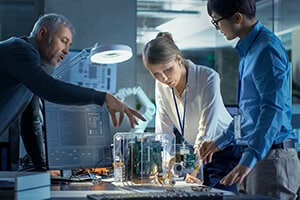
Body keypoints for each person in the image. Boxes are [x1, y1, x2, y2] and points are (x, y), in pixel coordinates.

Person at [0, 13, 145, 171]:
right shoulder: (19, 49)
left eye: (69, 44)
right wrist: (102, 97)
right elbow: (49, 88)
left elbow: (30, 121)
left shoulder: (31, 69)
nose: (67, 51)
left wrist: (43, 169)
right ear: (42, 34)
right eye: (63, 41)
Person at [199, 0, 300, 199]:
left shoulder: (266, 49)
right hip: (255, 156)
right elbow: (247, 114)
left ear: (237, 18)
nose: (217, 28)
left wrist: (250, 157)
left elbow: (272, 109)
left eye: (216, 21)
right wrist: (220, 142)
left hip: (271, 158)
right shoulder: (250, 50)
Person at [142, 32, 243, 192]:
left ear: (178, 60)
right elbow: (163, 133)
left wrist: (194, 170)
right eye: (156, 74)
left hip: (223, 150)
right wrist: (163, 170)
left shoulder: (208, 77)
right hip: (194, 154)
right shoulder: (161, 85)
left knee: (218, 195)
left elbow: (205, 133)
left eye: (168, 70)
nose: (164, 78)